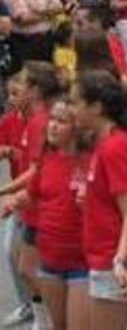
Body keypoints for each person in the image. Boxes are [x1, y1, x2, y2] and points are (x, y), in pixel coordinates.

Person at [70, 70, 127, 330]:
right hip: (105, 255)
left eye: (75, 103)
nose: (71, 109)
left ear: (96, 107)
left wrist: (119, 260)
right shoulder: (108, 142)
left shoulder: (114, 148)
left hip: (115, 259)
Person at [1, 98, 89, 330]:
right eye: (52, 119)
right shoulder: (47, 159)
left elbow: (125, 201)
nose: (52, 125)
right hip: (50, 260)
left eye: (62, 121)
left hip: (83, 262)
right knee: (58, 325)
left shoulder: (93, 160)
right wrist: (11, 203)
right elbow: (31, 193)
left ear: (77, 127)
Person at [0, 74, 33, 328]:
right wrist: (5, 151)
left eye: (16, 93)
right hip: (17, 195)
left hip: (33, 195)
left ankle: (40, 305)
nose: (11, 99)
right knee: (11, 251)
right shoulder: (8, 121)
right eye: (9, 94)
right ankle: (27, 304)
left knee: (31, 256)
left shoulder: (42, 122)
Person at [4, 0, 63, 68]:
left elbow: (59, 7)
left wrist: (37, 11)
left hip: (46, 40)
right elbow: (24, 19)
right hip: (25, 43)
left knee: (47, 76)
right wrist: (48, 14)